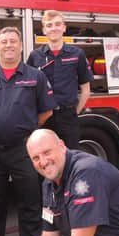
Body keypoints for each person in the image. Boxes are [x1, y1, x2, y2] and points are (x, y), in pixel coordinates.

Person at [0, 27, 55, 236]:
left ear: (20, 46)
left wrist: (24, 130)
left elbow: (46, 111)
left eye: (13, 41)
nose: (9, 45)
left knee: (29, 197)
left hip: (23, 148)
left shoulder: (35, 76)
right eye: (4, 41)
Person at [27, 10, 93, 149]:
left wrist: (74, 112)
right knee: (45, 157)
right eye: (49, 25)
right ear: (44, 30)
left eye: (57, 24)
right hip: (44, 118)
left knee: (70, 158)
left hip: (68, 117)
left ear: (64, 27)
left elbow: (86, 90)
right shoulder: (35, 56)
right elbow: (28, 89)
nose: (54, 28)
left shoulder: (77, 54)